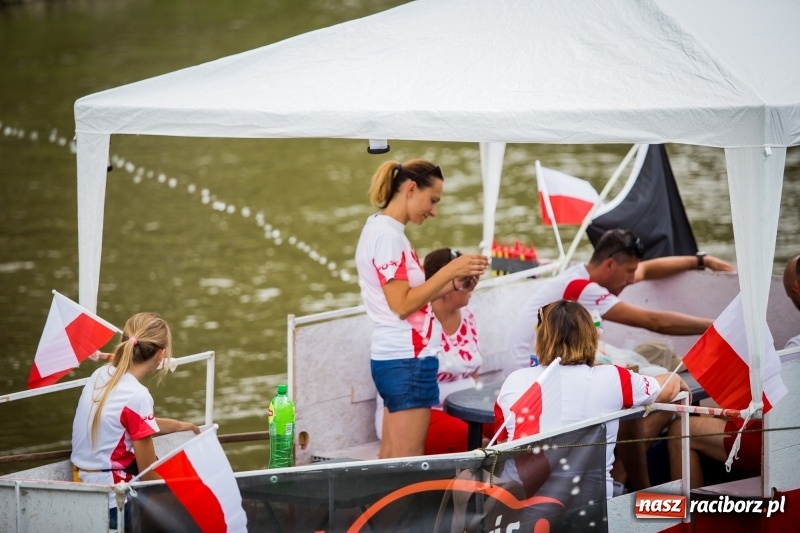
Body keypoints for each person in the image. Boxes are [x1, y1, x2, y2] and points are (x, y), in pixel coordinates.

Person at [505, 228, 733, 490]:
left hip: (538, 374)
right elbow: (653, 321)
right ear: (610, 264)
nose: (632, 280)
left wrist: (702, 261)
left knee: (641, 375)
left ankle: (627, 480)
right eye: (628, 273)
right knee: (655, 405)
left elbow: (647, 270)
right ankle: (634, 484)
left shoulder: (584, 274)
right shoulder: (582, 287)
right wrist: (716, 326)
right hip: (542, 371)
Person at [355, 159, 488, 459]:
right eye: (433, 200)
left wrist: (454, 282)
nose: (433, 211)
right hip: (407, 360)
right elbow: (401, 306)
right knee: (407, 464)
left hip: (400, 359)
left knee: (390, 460)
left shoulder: (381, 229)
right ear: (411, 189)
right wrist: (448, 270)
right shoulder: (388, 237)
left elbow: (411, 299)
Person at [496, 300, 689, 499]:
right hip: (593, 512)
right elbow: (667, 388)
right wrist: (676, 379)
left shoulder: (513, 382)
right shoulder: (613, 378)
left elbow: (501, 449)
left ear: (541, 339)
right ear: (590, 338)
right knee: (665, 507)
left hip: (523, 514)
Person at [667, 253, 800, 488]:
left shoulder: (795, 349)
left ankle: (691, 523)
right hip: (789, 436)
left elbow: (779, 415)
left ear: (796, 290)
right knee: (721, 411)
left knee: (681, 430)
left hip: (785, 448)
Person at [71, 312, 200, 529]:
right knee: (195, 512)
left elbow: (123, 421)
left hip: (83, 491)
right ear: (161, 355)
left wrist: (179, 426)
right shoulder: (137, 395)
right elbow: (147, 473)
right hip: (117, 503)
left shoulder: (101, 375)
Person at [375, 247, 485, 454]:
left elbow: (474, 373)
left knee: (506, 422)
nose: (473, 287)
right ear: (445, 286)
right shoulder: (413, 324)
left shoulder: (468, 315)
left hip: (461, 407)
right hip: (419, 411)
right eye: (467, 281)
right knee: (468, 437)